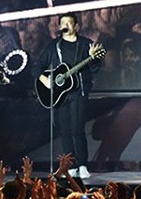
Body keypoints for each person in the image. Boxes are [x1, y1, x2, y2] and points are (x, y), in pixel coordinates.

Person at [31, 13, 103, 172]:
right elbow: (37, 67)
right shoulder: (54, 46)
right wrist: (44, 79)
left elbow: (95, 69)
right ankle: (70, 166)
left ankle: (83, 165)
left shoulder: (85, 44)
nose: (65, 26)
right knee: (64, 131)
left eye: (69, 23)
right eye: (62, 23)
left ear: (76, 26)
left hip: (79, 93)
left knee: (77, 129)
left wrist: (94, 58)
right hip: (59, 95)